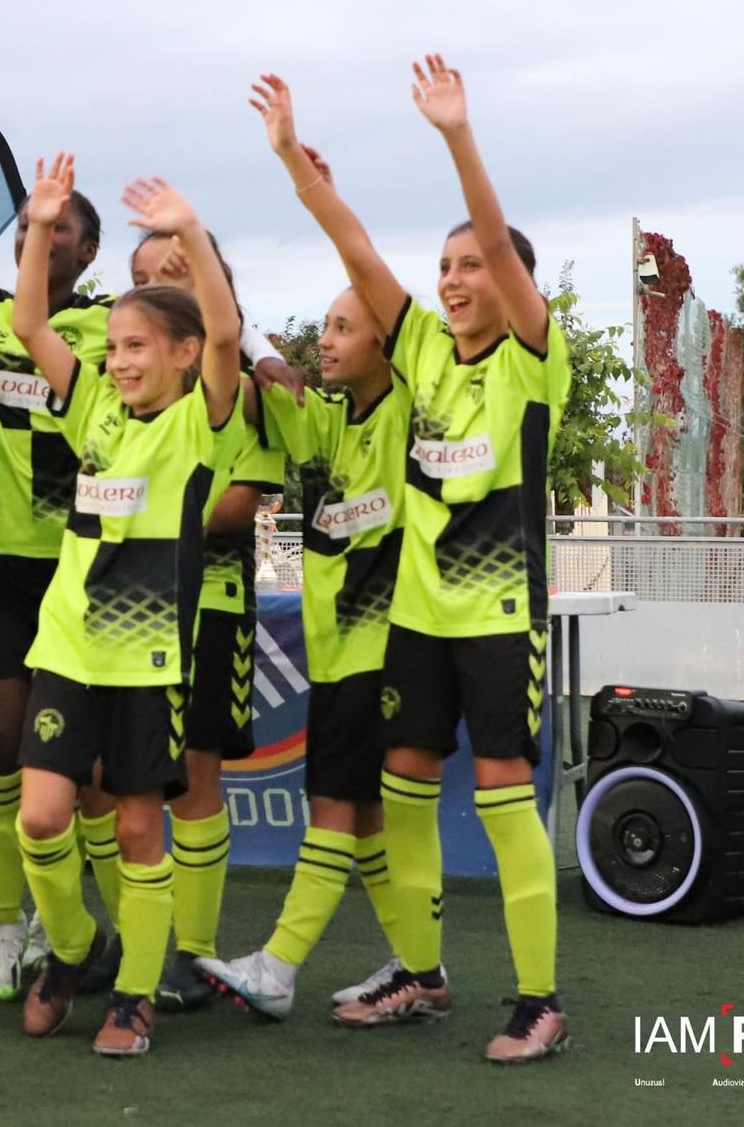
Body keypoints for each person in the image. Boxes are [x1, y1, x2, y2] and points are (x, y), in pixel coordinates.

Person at [251, 60, 572, 1063]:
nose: (453, 279)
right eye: (444, 267)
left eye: (472, 263)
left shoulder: (528, 358)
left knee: (501, 786)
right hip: (415, 619)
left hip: (494, 612)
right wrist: (295, 167)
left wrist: (454, 137)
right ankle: (422, 975)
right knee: (400, 785)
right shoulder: (422, 346)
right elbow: (348, 242)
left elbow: (502, 254)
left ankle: (537, 999)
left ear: (506, 280)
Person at [10, 154, 249, 1058]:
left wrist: (189, 233)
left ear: (181, 355)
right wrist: (37, 226)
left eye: (137, 346)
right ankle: (79, 947)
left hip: (151, 658)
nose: (120, 360)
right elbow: (30, 321)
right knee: (40, 815)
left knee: (143, 826)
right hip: (67, 645)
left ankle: (134, 999)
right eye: (114, 347)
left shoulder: (202, 422)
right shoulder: (95, 410)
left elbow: (226, 338)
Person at [194, 152, 415, 1019]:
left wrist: (300, 168)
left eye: (345, 326)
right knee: (360, 824)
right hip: (332, 654)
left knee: (334, 807)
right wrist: (262, 349)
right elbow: (245, 359)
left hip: (385, 644)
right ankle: (416, 967)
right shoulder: (314, 417)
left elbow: (375, 281)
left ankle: (279, 967)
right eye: (323, 324)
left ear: (386, 343)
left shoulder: (406, 410)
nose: (327, 338)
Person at [0, 177, 114, 1003]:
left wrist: (263, 350)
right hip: (3, 562)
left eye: (57, 231)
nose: (37, 239)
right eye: (25, 228)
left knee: (78, 757)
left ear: (87, 252)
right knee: (6, 738)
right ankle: (2, 925)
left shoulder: (113, 325)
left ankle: (61, 920)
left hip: (86, 569)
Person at [126, 232, 290, 1012]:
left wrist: (155, 517)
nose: (160, 282)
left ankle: (190, 953)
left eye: (178, 269)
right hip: (119, 609)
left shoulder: (246, 384)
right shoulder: (118, 370)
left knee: (196, 774)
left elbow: (243, 500)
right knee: (110, 780)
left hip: (212, 602)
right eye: (144, 276)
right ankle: (125, 945)